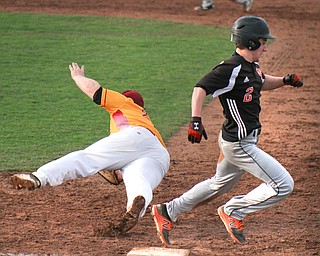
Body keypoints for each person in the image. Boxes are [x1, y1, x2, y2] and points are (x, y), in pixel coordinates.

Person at [151, 16, 303, 246]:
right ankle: (234, 210)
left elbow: (261, 82)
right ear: (251, 42)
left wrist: (285, 80)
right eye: (263, 41)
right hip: (240, 144)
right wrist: (195, 120)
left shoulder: (251, 67)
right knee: (283, 185)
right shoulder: (230, 68)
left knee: (218, 184)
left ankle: (167, 211)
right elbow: (200, 88)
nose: (266, 46)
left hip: (235, 140)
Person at [10, 62, 170, 235]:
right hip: (161, 155)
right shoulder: (145, 118)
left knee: (87, 158)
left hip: (136, 137)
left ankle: (39, 177)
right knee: (137, 178)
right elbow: (130, 155)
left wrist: (78, 77)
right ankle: (135, 206)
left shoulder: (125, 102)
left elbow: (95, 90)